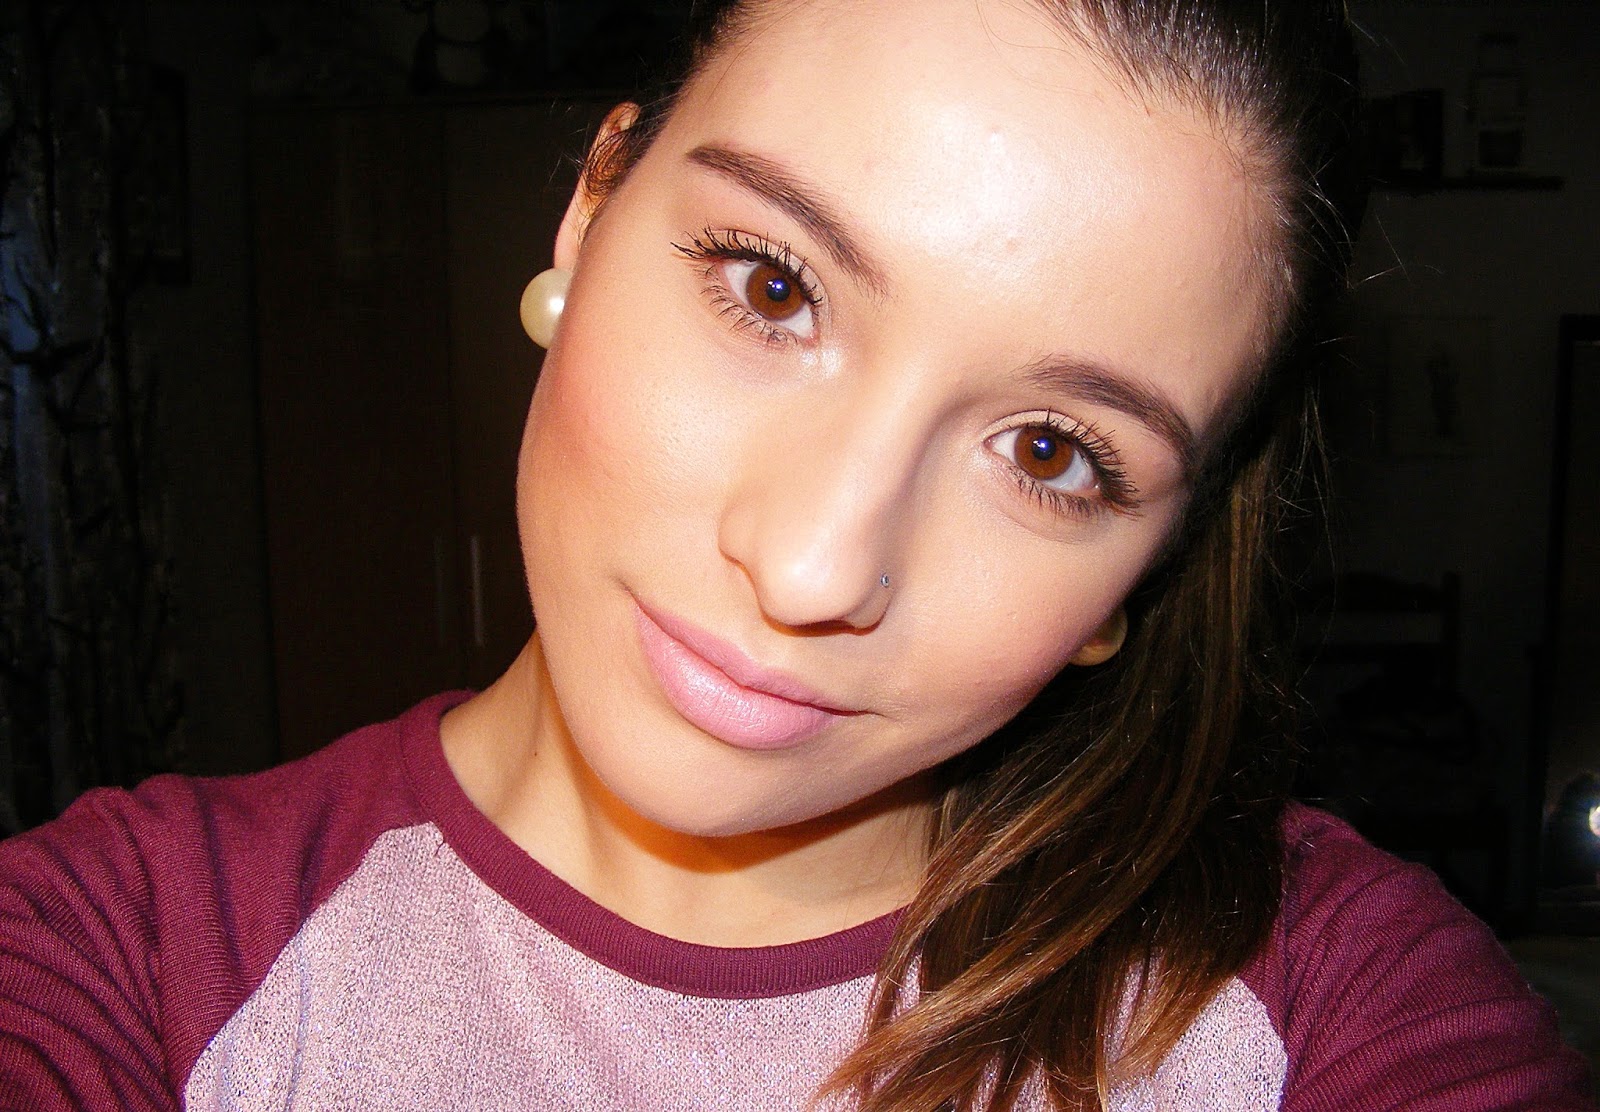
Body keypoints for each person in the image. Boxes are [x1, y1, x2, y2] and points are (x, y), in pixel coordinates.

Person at [0, 0, 1591, 1108]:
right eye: (774, 288)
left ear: (1143, 577)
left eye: (1051, 454)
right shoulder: (129, 957)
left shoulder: (1321, 998)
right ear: (588, 216)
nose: (816, 567)